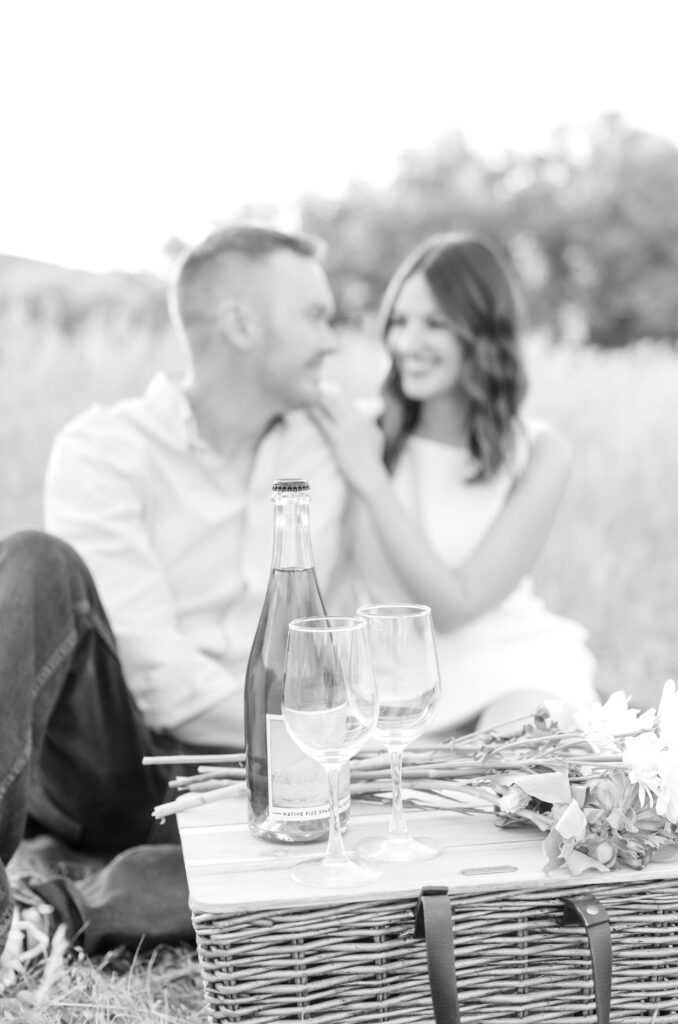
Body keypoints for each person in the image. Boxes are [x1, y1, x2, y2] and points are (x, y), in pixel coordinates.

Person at [0, 225, 346, 981]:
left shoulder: (329, 444)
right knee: (30, 562)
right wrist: (324, 735)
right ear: (243, 324)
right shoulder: (107, 449)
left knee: (310, 863)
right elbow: (158, 676)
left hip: (255, 783)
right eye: (317, 317)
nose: (334, 340)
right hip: (124, 754)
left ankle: (58, 903)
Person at [311, 232, 598, 737]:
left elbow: (456, 607)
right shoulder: (359, 432)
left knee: (520, 754)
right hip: (396, 690)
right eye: (399, 321)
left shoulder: (539, 453)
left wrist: (374, 482)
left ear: (482, 334)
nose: (407, 343)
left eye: (435, 324)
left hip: (511, 667)